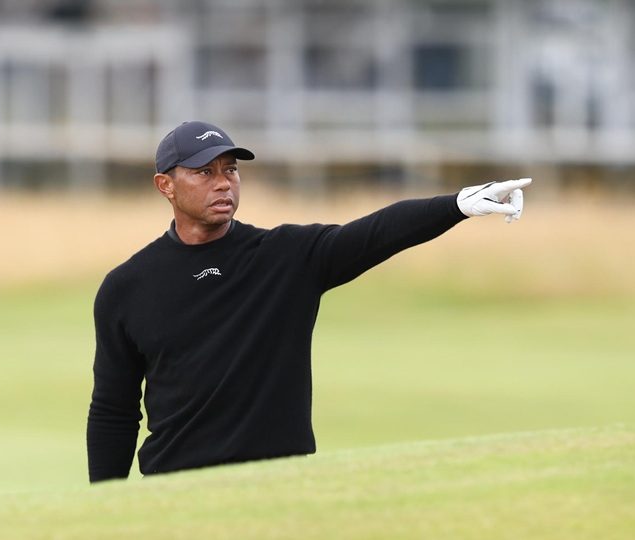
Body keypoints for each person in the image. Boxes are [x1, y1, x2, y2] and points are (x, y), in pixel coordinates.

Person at [86, 120, 532, 483]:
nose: (223, 183)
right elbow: (114, 410)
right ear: (165, 185)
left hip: (284, 488)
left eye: (231, 170)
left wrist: (456, 205)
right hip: (176, 491)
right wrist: (104, 508)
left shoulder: (286, 257)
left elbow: (374, 233)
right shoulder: (127, 287)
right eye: (204, 172)